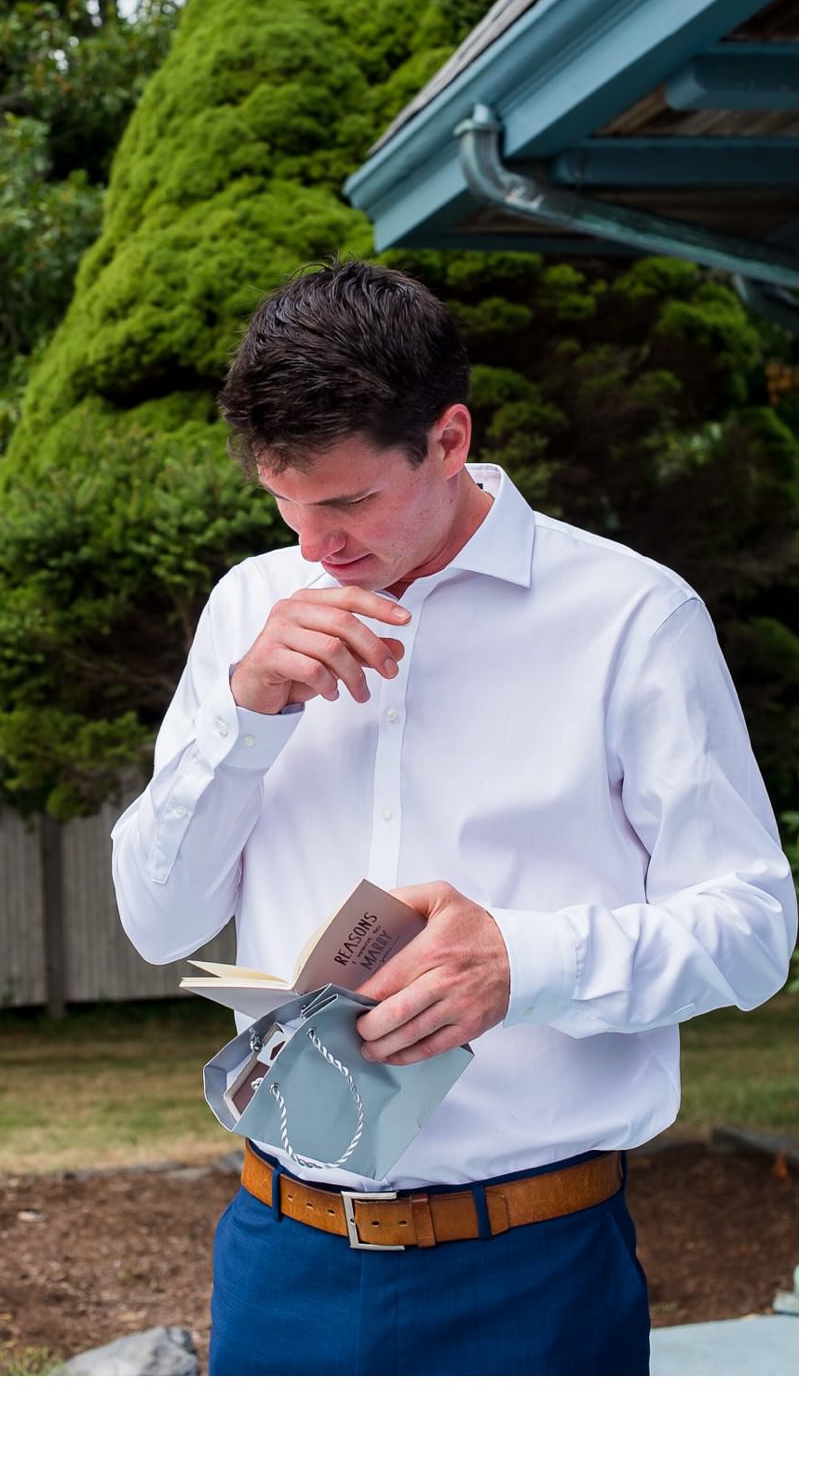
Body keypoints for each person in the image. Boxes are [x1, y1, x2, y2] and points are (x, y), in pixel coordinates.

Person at [110, 258, 797, 1376]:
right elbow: (154, 917)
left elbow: (756, 928)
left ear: (448, 436)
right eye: (284, 501)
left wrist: (525, 961)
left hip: (533, 1274)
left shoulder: (631, 617)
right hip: (280, 1257)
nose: (312, 541)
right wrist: (241, 719)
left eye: (344, 501)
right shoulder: (249, 603)